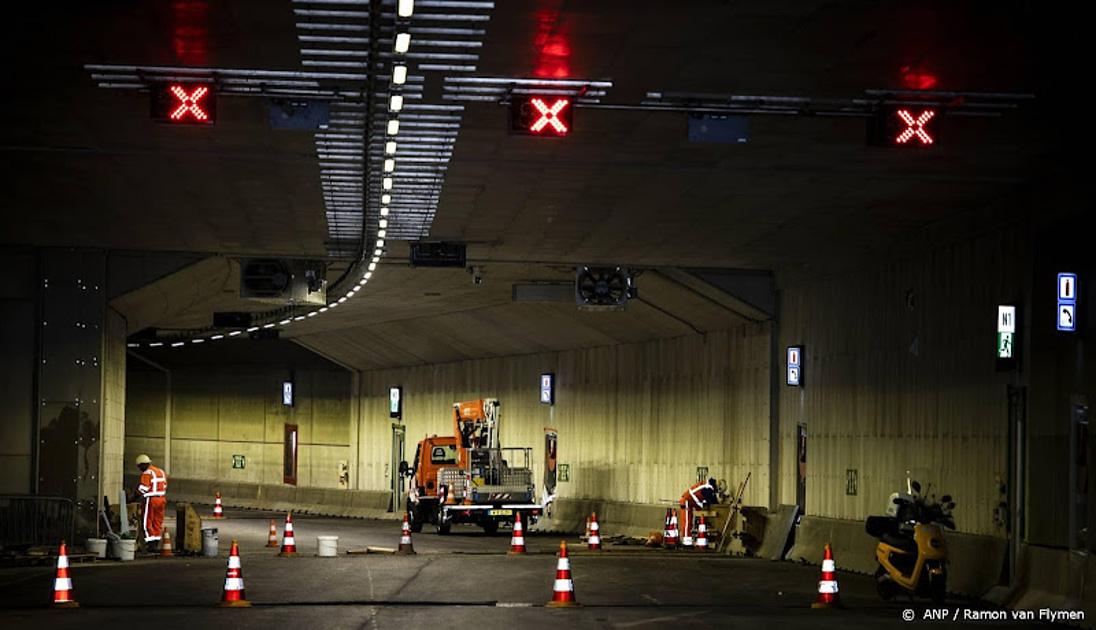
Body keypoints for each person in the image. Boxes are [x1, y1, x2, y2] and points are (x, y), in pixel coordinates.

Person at [135, 454, 168, 552]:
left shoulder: (147, 473)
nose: (140, 469)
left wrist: (133, 497)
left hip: (151, 500)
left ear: (142, 465)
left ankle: (151, 544)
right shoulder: (160, 472)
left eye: (139, 467)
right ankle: (156, 543)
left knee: (147, 522)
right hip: (161, 499)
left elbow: (143, 489)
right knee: (157, 522)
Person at [678, 477, 719, 545]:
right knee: (687, 522)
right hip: (687, 501)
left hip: (692, 502)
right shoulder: (708, 488)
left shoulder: (706, 486)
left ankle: (689, 539)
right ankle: (686, 542)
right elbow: (712, 501)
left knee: (690, 521)